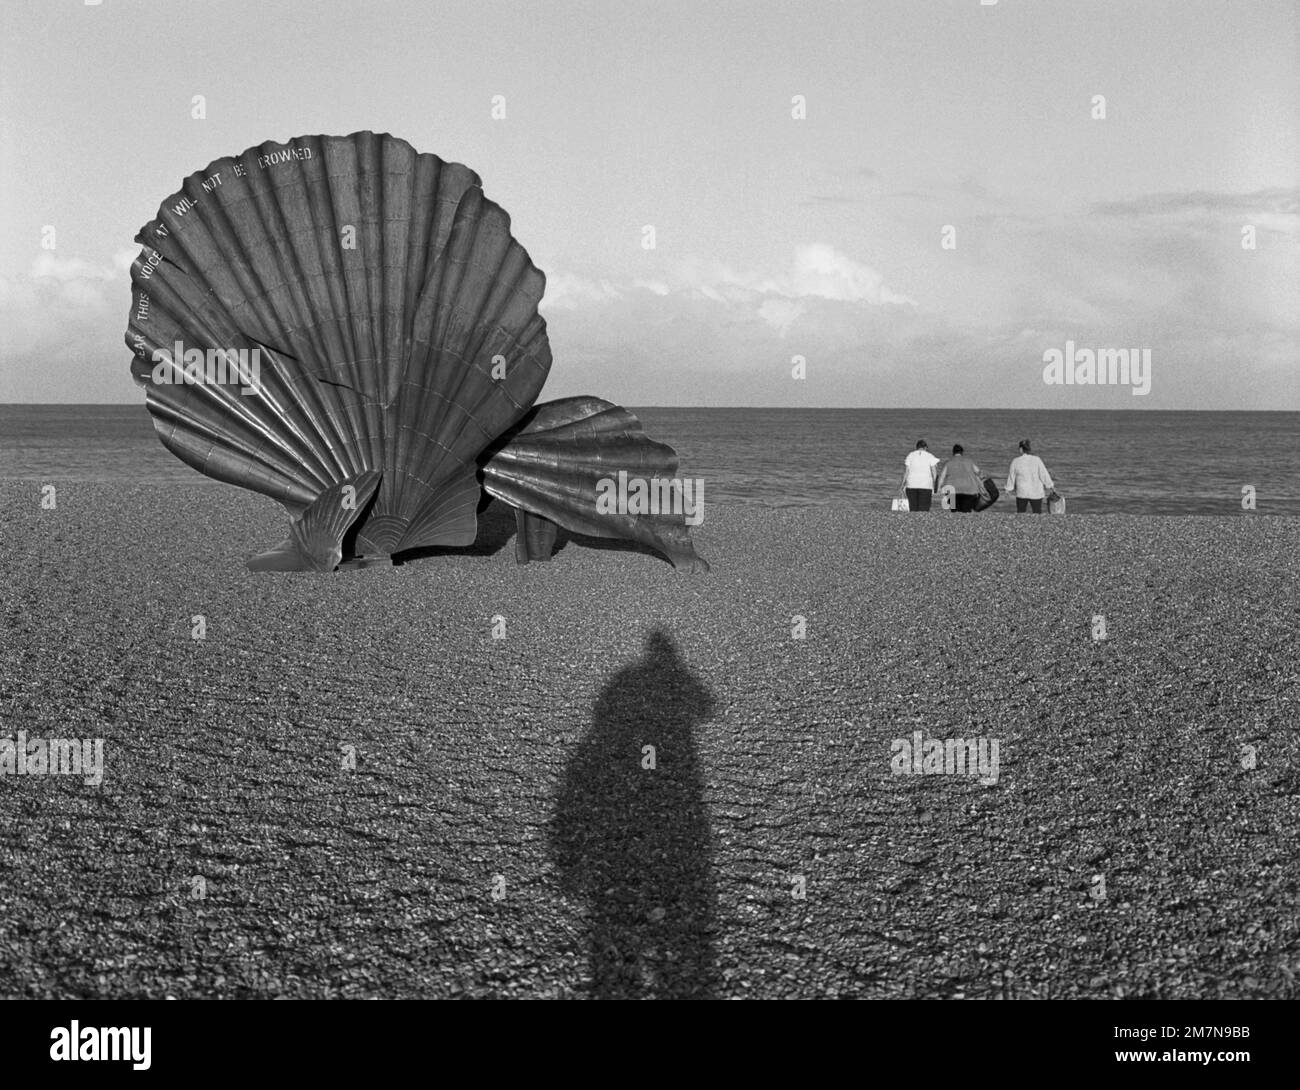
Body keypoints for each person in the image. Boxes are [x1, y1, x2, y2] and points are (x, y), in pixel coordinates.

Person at [1005, 439, 1055, 514]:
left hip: (1022, 492)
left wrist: (1008, 488)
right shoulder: (1037, 460)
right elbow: (1044, 474)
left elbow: (1011, 476)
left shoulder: (1015, 461)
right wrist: (1050, 485)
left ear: (1021, 449)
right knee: (1037, 513)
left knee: (1021, 513)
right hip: (1036, 492)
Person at [937, 444, 983, 512]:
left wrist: (938, 488)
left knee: (954, 510)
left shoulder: (948, 463)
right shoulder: (969, 462)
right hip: (969, 490)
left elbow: (942, 477)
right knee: (966, 511)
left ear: (953, 452)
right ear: (962, 452)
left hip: (951, 490)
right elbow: (978, 472)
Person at [900, 439, 939, 512]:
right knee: (924, 509)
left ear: (916, 447)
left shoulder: (910, 455)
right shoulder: (930, 456)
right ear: (925, 448)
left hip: (911, 485)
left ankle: (913, 522)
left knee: (913, 508)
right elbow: (934, 473)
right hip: (926, 486)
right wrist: (936, 486)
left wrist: (902, 485)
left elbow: (906, 472)